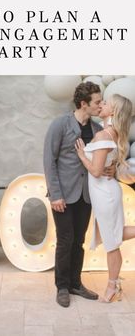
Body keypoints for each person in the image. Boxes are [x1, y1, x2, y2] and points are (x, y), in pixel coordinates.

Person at [43, 81, 114, 308]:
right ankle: (62, 287)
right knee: (65, 240)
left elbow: (97, 161)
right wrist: (55, 194)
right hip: (63, 195)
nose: (100, 104)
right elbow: (49, 161)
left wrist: (109, 169)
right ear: (83, 104)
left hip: (86, 196)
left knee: (79, 241)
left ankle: (75, 283)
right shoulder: (59, 125)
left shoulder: (96, 129)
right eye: (97, 102)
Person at [75, 94, 135, 303]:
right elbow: (109, 163)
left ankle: (112, 287)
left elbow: (97, 171)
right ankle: (114, 283)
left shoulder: (104, 136)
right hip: (106, 191)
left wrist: (83, 155)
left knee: (112, 242)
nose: (102, 104)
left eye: (106, 103)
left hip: (105, 193)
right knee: (114, 237)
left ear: (115, 111)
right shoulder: (112, 132)